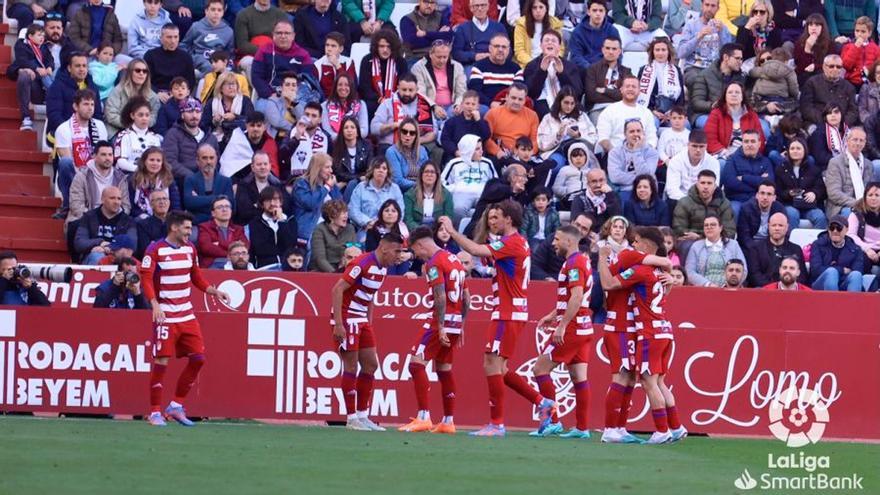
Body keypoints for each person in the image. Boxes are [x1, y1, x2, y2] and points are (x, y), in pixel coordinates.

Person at [438, 200, 556, 437]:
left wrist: (451, 231)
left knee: (491, 363)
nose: (494, 222)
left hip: (507, 312)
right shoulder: (514, 242)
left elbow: (475, 250)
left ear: (508, 220)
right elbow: (482, 248)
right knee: (500, 367)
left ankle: (497, 423)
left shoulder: (512, 243)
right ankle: (542, 402)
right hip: (509, 311)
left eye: (497, 217)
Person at [140, 210, 231, 426]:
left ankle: (176, 405)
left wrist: (213, 291)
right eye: (187, 228)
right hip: (166, 316)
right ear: (174, 227)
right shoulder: (155, 250)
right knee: (161, 361)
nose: (190, 232)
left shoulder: (190, 249)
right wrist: (154, 304)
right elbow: (146, 279)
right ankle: (154, 412)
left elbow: (195, 276)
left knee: (198, 359)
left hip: (187, 314)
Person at [596, 228, 684, 444]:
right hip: (659, 330)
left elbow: (608, 284)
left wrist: (602, 259)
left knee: (641, 380)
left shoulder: (637, 267)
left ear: (646, 245)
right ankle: (674, 427)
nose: (632, 245)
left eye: (636, 241)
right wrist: (670, 275)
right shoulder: (658, 273)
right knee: (647, 380)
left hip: (645, 332)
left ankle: (645, 429)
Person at [397, 227, 469, 433]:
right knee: (444, 369)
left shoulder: (434, 263)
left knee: (416, 364)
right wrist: (461, 325)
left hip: (441, 321)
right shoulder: (455, 259)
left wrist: (440, 326)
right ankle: (448, 421)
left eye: (416, 251)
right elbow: (467, 298)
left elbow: (440, 296)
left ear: (420, 245)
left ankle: (423, 417)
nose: (417, 256)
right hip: (455, 322)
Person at [526, 225, 595, 438]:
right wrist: (553, 315)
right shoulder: (581, 261)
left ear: (569, 241)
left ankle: (552, 421)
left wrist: (562, 325)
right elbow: (574, 298)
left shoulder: (573, 263)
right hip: (584, 326)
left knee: (540, 369)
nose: (553, 243)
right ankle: (582, 428)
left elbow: (575, 297)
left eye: (557, 239)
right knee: (579, 377)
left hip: (573, 328)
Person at [331, 232, 404, 430]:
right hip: (348, 318)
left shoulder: (383, 269)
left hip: (362, 320)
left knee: (371, 365)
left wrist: (369, 322)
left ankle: (363, 416)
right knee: (351, 367)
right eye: (397, 251)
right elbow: (338, 289)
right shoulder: (361, 263)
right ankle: (351, 418)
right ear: (384, 248)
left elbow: (370, 296)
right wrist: (338, 323)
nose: (399, 256)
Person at [54, 89, 109, 213]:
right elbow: (67, 159)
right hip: (74, 174)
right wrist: (83, 178)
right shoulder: (63, 129)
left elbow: (104, 155)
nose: (90, 108)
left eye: (92, 104)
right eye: (85, 104)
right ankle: (69, 205)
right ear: (75, 106)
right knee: (65, 163)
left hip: (96, 173)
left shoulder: (100, 126)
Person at [251, 20, 313, 112]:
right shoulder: (263, 51)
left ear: (293, 36)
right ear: (273, 35)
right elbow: (256, 77)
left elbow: (306, 81)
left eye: (287, 33)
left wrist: (291, 97)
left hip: (295, 97)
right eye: (279, 33)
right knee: (262, 110)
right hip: (269, 96)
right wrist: (271, 95)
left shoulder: (303, 55)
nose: (283, 36)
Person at [67, 140, 130, 227]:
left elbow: (126, 206)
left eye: (110, 155)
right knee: (75, 225)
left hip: (113, 219)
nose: (108, 158)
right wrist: (94, 220)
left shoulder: (120, 178)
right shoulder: (82, 176)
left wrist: (111, 218)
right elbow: (76, 205)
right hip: (87, 218)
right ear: (94, 156)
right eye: (103, 154)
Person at [522, 31, 580, 119]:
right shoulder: (532, 65)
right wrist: (541, 71)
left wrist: (562, 73)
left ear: (559, 46)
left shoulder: (570, 66)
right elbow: (530, 93)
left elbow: (577, 92)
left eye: (553, 41)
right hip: (542, 106)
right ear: (541, 45)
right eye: (547, 40)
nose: (550, 42)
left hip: (568, 105)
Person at [46, 53, 104, 141]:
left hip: (88, 133)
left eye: (84, 66)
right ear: (69, 68)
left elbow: (97, 115)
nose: (82, 69)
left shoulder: (93, 88)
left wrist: (87, 132)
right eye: (78, 66)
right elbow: (54, 115)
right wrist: (71, 131)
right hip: (61, 132)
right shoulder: (57, 86)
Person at [8, 24, 54, 131]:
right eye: (39, 35)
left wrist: (49, 67)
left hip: (42, 84)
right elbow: (20, 63)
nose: (42, 37)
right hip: (32, 84)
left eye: (43, 35)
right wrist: (34, 69)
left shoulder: (44, 47)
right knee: (24, 75)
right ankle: (26, 118)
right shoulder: (21, 46)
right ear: (30, 36)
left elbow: (50, 60)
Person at [705, 82, 765, 165]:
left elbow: (760, 140)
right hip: (725, 155)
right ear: (725, 96)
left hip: (748, 155)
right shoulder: (716, 114)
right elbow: (710, 140)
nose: (734, 95)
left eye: (737, 92)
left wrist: (749, 154)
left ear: (742, 96)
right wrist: (728, 154)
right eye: (730, 92)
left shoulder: (752, 115)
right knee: (721, 164)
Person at [74, 187, 138, 265]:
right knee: (97, 256)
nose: (116, 202)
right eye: (112, 198)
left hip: (118, 258)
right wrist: (99, 242)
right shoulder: (89, 217)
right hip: (93, 257)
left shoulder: (128, 220)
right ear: (102, 199)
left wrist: (108, 248)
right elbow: (79, 242)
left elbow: (132, 244)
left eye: (119, 199)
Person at [440, 134, 497, 220]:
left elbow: (495, 182)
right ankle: (457, 232)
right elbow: (442, 182)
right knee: (457, 209)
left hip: (482, 195)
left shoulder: (487, 163)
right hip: (461, 194)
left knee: (486, 210)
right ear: (468, 150)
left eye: (481, 148)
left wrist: (487, 192)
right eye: (477, 149)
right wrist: (456, 188)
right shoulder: (454, 163)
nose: (481, 151)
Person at [370, 73, 436, 148]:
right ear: (398, 88)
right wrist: (393, 125)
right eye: (404, 90)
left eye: (411, 90)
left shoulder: (425, 104)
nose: (407, 93)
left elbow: (433, 132)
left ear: (417, 89)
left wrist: (414, 141)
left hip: (417, 145)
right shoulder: (387, 104)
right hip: (390, 145)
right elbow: (373, 129)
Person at [596, 76, 658, 153]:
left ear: (639, 91)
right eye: (627, 86)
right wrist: (618, 156)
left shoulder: (646, 112)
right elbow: (603, 139)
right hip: (616, 156)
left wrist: (643, 153)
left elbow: (652, 138)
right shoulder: (609, 111)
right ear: (621, 90)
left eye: (634, 86)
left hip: (642, 156)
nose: (630, 89)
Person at [163, 99, 220, 184]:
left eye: (197, 112)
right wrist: (193, 177)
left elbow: (217, 162)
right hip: (182, 181)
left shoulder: (211, 137)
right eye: (189, 112)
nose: (194, 116)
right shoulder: (173, 134)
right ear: (182, 115)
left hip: (207, 181)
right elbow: (170, 161)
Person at [774, 138, 828, 228]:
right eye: (792, 148)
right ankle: (790, 241)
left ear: (805, 150)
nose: (795, 151)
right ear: (788, 151)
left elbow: (822, 189)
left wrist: (814, 193)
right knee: (792, 214)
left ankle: (818, 242)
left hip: (809, 206)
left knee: (820, 216)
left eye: (798, 148)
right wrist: (789, 193)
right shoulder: (781, 169)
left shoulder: (814, 169)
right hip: (789, 205)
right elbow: (778, 192)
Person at [676, 0, 732, 84]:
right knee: (697, 80)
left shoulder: (723, 28)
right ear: (702, 6)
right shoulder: (691, 25)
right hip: (694, 68)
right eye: (707, 5)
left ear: (718, 8)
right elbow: (681, 53)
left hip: (715, 68)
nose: (709, 9)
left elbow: (729, 55)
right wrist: (698, 37)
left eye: (713, 6)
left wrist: (721, 33)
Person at [689, 43, 745, 127]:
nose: (740, 62)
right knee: (715, 125)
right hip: (706, 114)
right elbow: (696, 103)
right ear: (726, 57)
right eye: (737, 58)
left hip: (733, 115)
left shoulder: (741, 77)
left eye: (741, 59)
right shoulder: (704, 75)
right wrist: (713, 105)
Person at [537, 87, 598, 165]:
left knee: (589, 162)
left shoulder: (582, 116)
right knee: (556, 165)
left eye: (572, 103)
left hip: (579, 150)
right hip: (557, 151)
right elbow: (541, 143)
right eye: (566, 103)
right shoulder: (548, 118)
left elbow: (594, 137)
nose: (569, 106)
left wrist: (578, 135)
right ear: (559, 101)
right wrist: (558, 135)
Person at [292, 153, 343, 244]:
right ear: (317, 168)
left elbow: (341, 206)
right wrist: (327, 187)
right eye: (327, 167)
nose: (331, 170)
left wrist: (331, 187)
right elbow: (311, 204)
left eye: (331, 167)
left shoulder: (330, 184)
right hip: (310, 230)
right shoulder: (301, 184)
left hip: (332, 229)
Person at [720, 130, 773, 216]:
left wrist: (744, 178)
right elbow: (730, 184)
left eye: (753, 141)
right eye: (746, 141)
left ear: (759, 143)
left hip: (759, 200)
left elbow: (769, 183)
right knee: (734, 209)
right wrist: (758, 183)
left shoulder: (766, 161)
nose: (749, 144)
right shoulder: (732, 159)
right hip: (737, 200)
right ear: (742, 143)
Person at [746, 212, 808, 287]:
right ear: (768, 227)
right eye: (774, 225)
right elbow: (754, 276)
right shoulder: (756, 248)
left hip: (789, 289)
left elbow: (802, 277)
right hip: (764, 290)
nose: (777, 228)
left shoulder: (796, 249)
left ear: (787, 227)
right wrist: (775, 287)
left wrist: (785, 286)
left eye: (780, 225)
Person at [411, 40, 467, 122]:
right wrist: (434, 106)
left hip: (452, 107)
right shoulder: (418, 67)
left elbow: (461, 91)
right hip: (429, 107)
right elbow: (420, 92)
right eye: (439, 57)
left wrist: (458, 104)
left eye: (445, 57)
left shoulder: (457, 67)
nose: (442, 60)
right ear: (430, 54)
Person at [359, 30, 409, 118]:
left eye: (388, 47)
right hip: (374, 100)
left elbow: (404, 84)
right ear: (376, 47)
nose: (385, 50)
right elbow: (364, 86)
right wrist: (379, 99)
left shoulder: (400, 61)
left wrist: (392, 100)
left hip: (396, 99)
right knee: (368, 106)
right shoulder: (367, 60)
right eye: (382, 46)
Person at [103, 59, 161, 136]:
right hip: (117, 131)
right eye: (137, 70)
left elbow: (153, 118)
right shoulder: (118, 91)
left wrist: (139, 125)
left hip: (142, 133)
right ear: (130, 73)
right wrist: (133, 125)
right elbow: (111, 115)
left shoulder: (153, 96)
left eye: (144, 71)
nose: (141, 73)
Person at [685, 214, 747, 286]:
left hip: (729, 288)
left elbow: (743, 269)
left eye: (713, 224)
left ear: (720, 228)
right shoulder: (696, 246)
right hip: (704, 290)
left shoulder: (733, 245)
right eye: (706, 225)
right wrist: (707, 284)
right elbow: (689, 272)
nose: (709, 227)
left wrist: (730, 285)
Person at [673, 170, 737, 240]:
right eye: (703, 183)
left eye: (709, 183)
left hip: (717, 241)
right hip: (691, 241)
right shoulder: (684, 202)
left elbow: (729, 232)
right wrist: (710, 234)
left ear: (715, 186)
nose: (706, 187)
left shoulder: (724, 204)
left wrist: (700, 236)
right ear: (697, 184)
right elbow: (679, 229)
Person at [467, 34, 523, 112]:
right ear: (490, 48)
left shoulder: (516, 69)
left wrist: (506, 104)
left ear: (509, 50)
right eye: (496, 46)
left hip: (510, 105)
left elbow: (519, 91)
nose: (500, 49)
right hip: (487, 106)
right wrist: (491, 103)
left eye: (504, 47)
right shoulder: (479, 66)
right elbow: (475, 91)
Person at [637, 39, 686, 128]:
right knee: (652, 123)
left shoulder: (676, 70)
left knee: (685, 125)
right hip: (651, 111)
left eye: (663, 50)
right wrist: (652, 111)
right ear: (652, 52)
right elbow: (639, 96)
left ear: (668, 52)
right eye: (657, 50)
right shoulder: (643, 70)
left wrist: (672, 113)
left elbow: (681, 98)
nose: (660, 53)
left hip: (672, 112)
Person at [825, 127, 873, 217]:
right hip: (841, 207)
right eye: (855, 140)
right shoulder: (835, 162)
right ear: (847, 141)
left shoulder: (868, 165)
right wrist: (857, 203)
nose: (858, 143)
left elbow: (871, 191)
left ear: (865, 143)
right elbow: (834, 193)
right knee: (850, 214)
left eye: (861, 140)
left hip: (865, 205)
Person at [800, 54, 859, 128]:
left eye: (838, 67)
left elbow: (853, 111)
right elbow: (806, 108)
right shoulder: (812, 83)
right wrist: (826, 121)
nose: (835, 69)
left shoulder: (849, 87)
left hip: (842, 125)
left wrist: (841, 124)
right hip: (817, 124)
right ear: (824, 67)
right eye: (831, 66)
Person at [247, 186, 299, 269]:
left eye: (275, 199)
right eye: (268, 200)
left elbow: (290, 245)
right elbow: (260, 248)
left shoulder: (290, 220)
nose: (272, 203)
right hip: (264, 267)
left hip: (287, 268)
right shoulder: (256, 223)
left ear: (281, 202)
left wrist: (281, 221)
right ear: (262, 204)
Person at [607, 119, 660, 199]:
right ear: (625, 134)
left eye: (638, 131)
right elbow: (615, 177)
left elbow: (646, 175)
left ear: (643, 133)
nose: (636, 134)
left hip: (647, 190)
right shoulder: (615, 152)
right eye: (632, 131)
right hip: (625, 190)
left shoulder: (652, 152)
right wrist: (639, 179)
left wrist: (636, 151)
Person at [810, 215, 865, 291]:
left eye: (839, 228)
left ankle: (852, 302)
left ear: (846, 229)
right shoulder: (818, 245)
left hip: (843, 284)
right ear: (828, 229)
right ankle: (831, 302)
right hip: (820, 285)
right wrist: (841, 270)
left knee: (856, 275)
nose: (835, 231)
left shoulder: (855, 249)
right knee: (831, 272)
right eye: (832, 228)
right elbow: (815, 270)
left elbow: (857, 271)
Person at [484, 83, 539, 159]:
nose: (516, 102)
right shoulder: (492, 113)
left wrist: (528, 154)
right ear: (506, 97)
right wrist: (498, 152)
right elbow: (486, 139)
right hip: (499, 155)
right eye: (513, 98)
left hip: (524, 156)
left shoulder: (532, 116)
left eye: (520, 99)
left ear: (525, 100)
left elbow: (534, 141)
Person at [584, 38, 633, 124]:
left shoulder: (626, 72)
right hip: (598, 110)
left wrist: (604, 90)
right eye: (607, 48)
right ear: (602, 50)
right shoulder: (592, 69)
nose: (610, 52)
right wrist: (617, 93)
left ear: (619, 51)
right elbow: (591, 95)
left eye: (614, 49)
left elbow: (628, 95)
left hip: (621, 109)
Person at [220, 112, 280, 181]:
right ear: (246, 126)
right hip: (240, 183)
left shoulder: (270, 144)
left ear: (264, 127)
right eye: (252, 125)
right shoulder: (237, 141)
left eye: (259, 126)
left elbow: (273, 171)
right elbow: (227, 169)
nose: (255, 129)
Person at [233, 151, 289, 225]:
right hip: (251, 227)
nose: (262, 167)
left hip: (276, 225)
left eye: (265, 164)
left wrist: (257, 206)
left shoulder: (278, 185)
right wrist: (270, 209)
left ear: (270, 166)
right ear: (252, 167)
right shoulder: (243, 186)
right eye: (259, 164)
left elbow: (286, 206)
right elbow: (244, 212)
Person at [279, 102, 331, 180]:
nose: (309, 118)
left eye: (314, 116)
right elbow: (282, 156)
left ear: (320, 119)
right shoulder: (292, 132)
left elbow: (329, 162)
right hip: (294, 179)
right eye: (307, 114)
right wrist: (296, 137)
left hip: (318, 180)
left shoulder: (326, 137)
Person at [349, 158, 405, 230]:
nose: (380, 170)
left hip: (390, 229)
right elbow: (353, 210)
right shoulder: (361, 187)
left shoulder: (395, 188)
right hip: (367, 228)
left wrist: (388, 225)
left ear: (387, 172)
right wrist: (368, 222)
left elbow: (400, 211)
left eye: (384, 168)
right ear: (372, 170)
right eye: (377, 167)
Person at [202, 72, 255, 147]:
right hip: (217, 141)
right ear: (220, 88)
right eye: (228, 84)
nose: (231, 87)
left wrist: (235, 117)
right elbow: (203, 125)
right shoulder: (211, 102)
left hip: (241, 140)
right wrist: (214, 121)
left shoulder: (245, 100)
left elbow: (252, 121)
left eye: (234, 84)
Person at [144, 23, 196, 102]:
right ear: (161, 38)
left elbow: (190, 81)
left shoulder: (186, 57)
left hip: (180, 94)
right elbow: (146, 80)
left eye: (176, 37)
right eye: (169, 37)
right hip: (157, 95)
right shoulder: (150, 55)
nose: (173, 41)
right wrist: (157, 93)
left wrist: (179, 93)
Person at [183, 144, 233, 224]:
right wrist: (218, 198)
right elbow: (189, 203)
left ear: (216, 159)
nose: (208, 162)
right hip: (198, 224)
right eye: (204, 158)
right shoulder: (190, 179)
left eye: (211, 158)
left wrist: (199, 200)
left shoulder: (226, 181)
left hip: (220, 224)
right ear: (197, 160)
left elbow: (231, 205)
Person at [234, 0, 289, 72]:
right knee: (251, 64)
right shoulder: (243, 15)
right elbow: (242, 45)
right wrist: (264, 52)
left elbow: (285, 40)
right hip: (250, 55)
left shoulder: (280, 14)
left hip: (275, 54)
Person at [113, 97, 164, 174]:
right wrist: (141, 170)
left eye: (147, 115)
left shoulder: (155, 138)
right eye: (140, 115)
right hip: (130, 175)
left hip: (151, 175)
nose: (144, 118)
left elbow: (159, 161)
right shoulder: (124, 135)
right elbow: (121, 162)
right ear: (132, 116)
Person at [128, 147, 182, 219]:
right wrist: (146, 218)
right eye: (151, 160)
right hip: (141, 219)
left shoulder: (169, 180)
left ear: (162, 163)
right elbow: (132, 206)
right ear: (144, 162)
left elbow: (175, 205)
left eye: (158, 160)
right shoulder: (134, 180)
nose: (155, 163)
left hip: (166, 218)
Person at [451, 0, 508, 66]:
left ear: (488, 7)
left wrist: (495, 56)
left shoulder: (499, 27)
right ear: (471, 8)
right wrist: (475, 56)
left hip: (496, 64)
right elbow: (456, 53)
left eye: (483, 5)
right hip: (472, 64)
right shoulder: (462, 28)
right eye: (476, 6)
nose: (480, 9)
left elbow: (508, 51)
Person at [440, 91, 491, 163]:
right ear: (461, 105)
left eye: (473, 104)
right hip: (456, 156)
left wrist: (479, 121)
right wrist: (455, 151)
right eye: (467, 103)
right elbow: (445, 139)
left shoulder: (481, 122)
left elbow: (486, 136)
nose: (470, 106)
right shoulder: (452, 122)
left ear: (477, 106)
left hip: (476, 157)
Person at [736, 180, 789, 249]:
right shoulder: (746, 208)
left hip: (771, 246)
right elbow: (744, 237)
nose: (765, 197)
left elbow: (785, 233)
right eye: (762, 193)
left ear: (774, 198)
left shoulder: (780, 209)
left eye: (769, 194)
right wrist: (757, 250)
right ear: (757, 195)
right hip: (751, 246)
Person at [569, 0, 620, 69]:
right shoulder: (578, 32)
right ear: (588, 12)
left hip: (606, 70)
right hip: (583, 70)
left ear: (605, 13)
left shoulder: (612, 31)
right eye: (594, 10)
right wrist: (591, 69)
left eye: (601, 11)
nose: (598, 14)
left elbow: (617, 54)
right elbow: (576, 56)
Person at [513, 0, 565, 68]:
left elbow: (560, 49)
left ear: (546, 8)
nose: (538, 10)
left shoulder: (555, 24)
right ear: (530, 9)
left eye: (541, 7)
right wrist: (534, 64)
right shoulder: (521, 24)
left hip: (551, 64)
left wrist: (551, 61)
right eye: (534, 7)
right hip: (528, 65)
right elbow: (519, 51)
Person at [310, 200, 357, 272]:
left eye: (346, 212)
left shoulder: (350, 229)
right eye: (342, 213)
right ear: (331, 217)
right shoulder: (319, 230)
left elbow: (354, 252)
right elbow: (320, 259)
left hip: (344, 269)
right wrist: (334, 274)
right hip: (323, 271)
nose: (346, 216)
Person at [404, 162, 454, 230]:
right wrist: (421, 231)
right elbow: (408, 220)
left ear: (437, 176)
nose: (429, 175)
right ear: (421, 175)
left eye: (432, 172)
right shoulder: (409, 195)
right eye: (426, 172)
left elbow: (449, 218)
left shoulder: (446, 194)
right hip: (416, 232)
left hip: (438, 232)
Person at [385, 117, 430, 192]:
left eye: (412, 133)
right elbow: (398, 181)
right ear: (399, 133)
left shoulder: (422, 150)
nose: (408, 135)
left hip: (422, 189)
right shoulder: (392, 152)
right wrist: (420, 185)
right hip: (403, 191)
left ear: (416, 136)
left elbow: (427, 172)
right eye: (404, 132)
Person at [322, 73, 368, 142]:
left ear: (351, 87)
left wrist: (350, 137)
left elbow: (364, 130)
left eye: (347, 85)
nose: (343, 88)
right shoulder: (325, 106)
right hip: (335, 144)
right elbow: (327, 131)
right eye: (340, 85)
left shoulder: (361, 104)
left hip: (355, 142)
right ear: (335, 87)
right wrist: (344, 138)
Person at [794, 14, 838, 86]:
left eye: (817, 25)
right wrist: (807, 49)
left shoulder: (830, 44)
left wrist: (815, 66)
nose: (813, 28)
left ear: (822, 27)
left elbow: (831, 63)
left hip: (823, 74)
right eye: (810, 25)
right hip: (804, 76)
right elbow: (800, 67)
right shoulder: (799, 43)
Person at [331, 116, 374, 191]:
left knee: (352, 184)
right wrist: (357, 178)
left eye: (352, 127)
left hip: (362, 184)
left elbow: (369, 169)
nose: (349, 130)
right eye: (346, 128)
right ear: (342, 132)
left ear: (357, 132)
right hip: (342, 185)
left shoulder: (367, 146)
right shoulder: (335, 147)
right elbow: (338, 173)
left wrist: (352, 181)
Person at [551, 142, 600, 208]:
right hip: (570, 197)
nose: (578, 158)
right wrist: (568, 191)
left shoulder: (590, 172)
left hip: (587, 196)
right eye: (574, 156)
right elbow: (556, 188)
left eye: (581, 155)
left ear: (586, 157)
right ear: (570, 157)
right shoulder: (565, 170)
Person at [847, 182, 880, 270]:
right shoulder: (856, 214)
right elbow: (851, 235)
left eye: (877, 195)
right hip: (863, 250)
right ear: (865, 197)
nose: (873, 198)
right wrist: (867, 249)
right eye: (870, 195)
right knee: (861, 262)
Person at [313, 32, 357, 99]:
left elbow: (350, 86)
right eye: (327, 45)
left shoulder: (348, 62)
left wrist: (338, 66)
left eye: (333, 46)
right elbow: (317, 91)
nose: (329, 49)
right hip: (326, 102)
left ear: (341, 49)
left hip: (348, 100)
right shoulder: (318, 65)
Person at [840, 16, 879, 89]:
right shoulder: (847, 47)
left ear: (869, 33)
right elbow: (846, 65)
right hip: (851, 82)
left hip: (870, 83)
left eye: (863, 31)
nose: (859, 34)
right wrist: (855, 48)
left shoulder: (875, 48)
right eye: (857, 31)